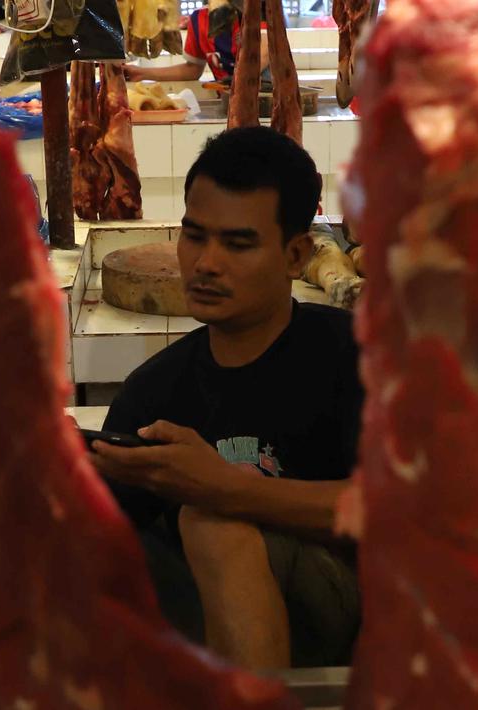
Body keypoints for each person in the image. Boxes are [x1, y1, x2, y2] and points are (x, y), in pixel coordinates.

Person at [90, 126, 361, 670]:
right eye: (194, 236)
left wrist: (222, 489)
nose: (206, 263)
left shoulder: (355, 356)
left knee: (210, 521)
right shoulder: (154, 391)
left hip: (352, 609)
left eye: (237, 244)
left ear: (295, 255)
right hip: (209, 619)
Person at [125, 0, 271, 84]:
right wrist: (142, 74)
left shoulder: (258, 10)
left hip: (266, 104)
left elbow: (264, 53)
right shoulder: (199, 18)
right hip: (227, 104)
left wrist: (236, 79)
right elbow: (192, 69)